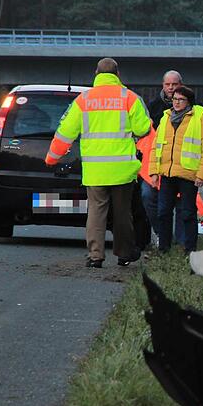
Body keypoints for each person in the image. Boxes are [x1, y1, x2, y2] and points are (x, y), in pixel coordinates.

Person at [45, 57, 151, 268]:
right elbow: (142, 130)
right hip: (122, 168)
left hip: (95, 169)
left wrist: (52, 157)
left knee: (96, 212)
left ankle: (95, 256)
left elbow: (65, 132)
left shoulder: (83, 100)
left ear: (96, 74)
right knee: (122, 213)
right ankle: (124, 254)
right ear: (117, 75)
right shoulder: (129, 98)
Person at [150, 84, 203, 253]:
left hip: (188, 175)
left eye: (180, 100)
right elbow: (156, 146)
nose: (176, 103)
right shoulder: (166, 118)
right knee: (163, 212)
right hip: (168, 173)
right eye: (174, 99)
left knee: (187, 213)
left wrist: (201, 175)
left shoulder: (201, 119)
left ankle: (189, 249)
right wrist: (154, 171)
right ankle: (164, 249)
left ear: (189, 102)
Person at [139, 70, 183, 245]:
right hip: (155, 165)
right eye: (168, 84)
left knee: (182, 206)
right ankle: (162, 235)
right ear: (163, 85)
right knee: (147, 196)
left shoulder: (194, 108)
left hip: (181, 166)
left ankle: (181, 245)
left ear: (181, 85)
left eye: (174, 84)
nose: (171, 88)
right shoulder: (153, 107)